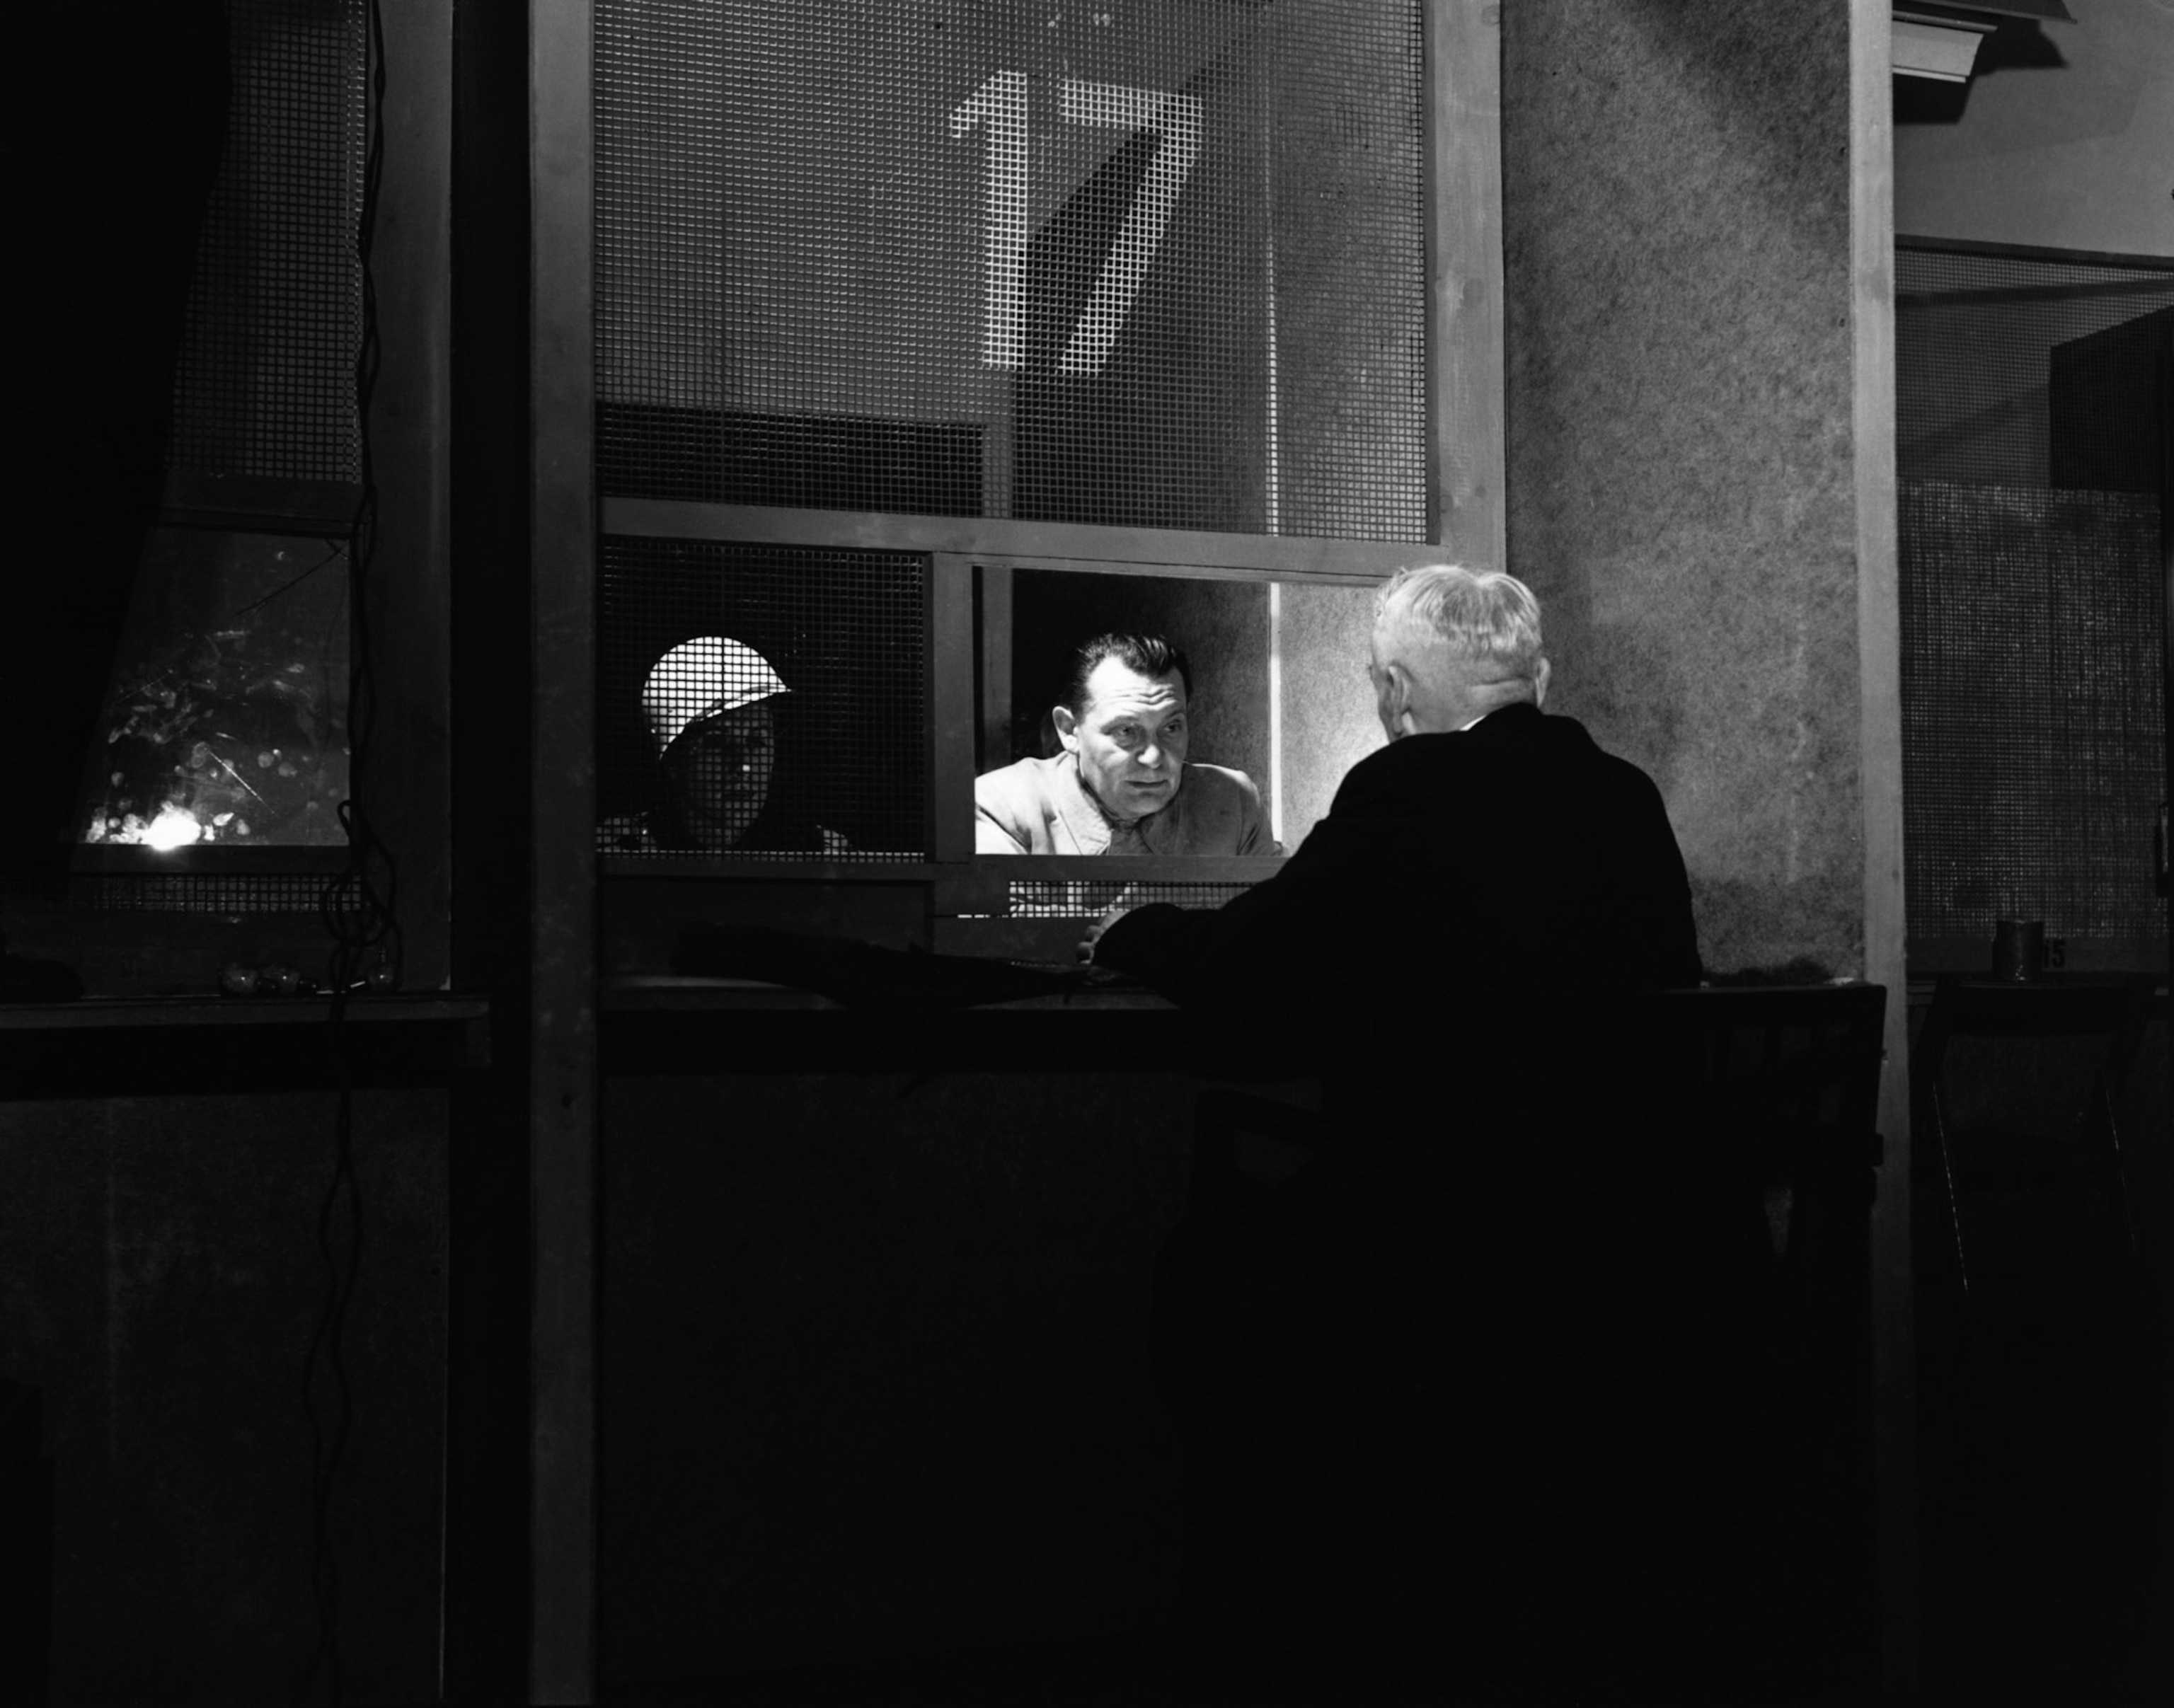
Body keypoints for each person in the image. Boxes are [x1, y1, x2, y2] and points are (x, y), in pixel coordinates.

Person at [1082, 564, 1700, 998]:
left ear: (1396, 691)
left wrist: (1130, 932)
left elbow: (1254, 963)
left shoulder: (1410, 784)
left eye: (1378, 681)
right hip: (1629, 1156)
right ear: (1537, 681)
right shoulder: (1628, 790)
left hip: (1453, 1166)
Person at [974, 633, 1269, 855]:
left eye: (1171, 727)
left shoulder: (1233, 802)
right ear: (1068, 730)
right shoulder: (1002, 807)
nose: (1154, 757)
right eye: (1126, 731)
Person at [601, 636, 846, 855]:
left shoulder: (822, 853)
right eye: (716, 742)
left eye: (757, 740)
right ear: (674, 760)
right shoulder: (617, 853)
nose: (743, 766)